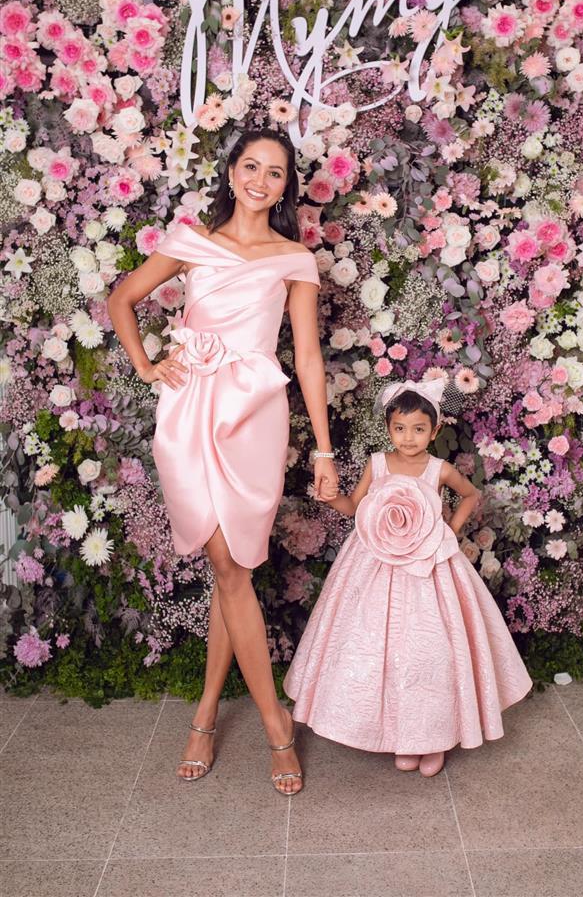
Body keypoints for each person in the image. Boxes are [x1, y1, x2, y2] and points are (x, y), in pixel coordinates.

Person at [108, 127, 339, 795]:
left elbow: (308, 359)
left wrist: (324, 450)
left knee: (232, 567)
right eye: (251, 167)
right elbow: (121, 299)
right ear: (232, 173)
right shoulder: (191, 241)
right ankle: (275, 726)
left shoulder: (294, 258)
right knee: (227, 566)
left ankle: (206, 715)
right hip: (188, 413)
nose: (261, 181)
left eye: (275, 172)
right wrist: (147, 365)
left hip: (253, 419)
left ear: (286, 187)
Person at [284, 378, 533, 777]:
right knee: (376, 646)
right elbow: (356, 507)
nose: (408, 437)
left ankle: (432, 738)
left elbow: (471, 495)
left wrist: (450, 530)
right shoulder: (378, 464)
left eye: (418, 429)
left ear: (434, 431)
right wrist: (332, 499)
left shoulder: (439, 469)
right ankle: (400, 735)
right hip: (374, 562)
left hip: (428, 568)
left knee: (428, 651)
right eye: (399, 428)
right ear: (388, 428)